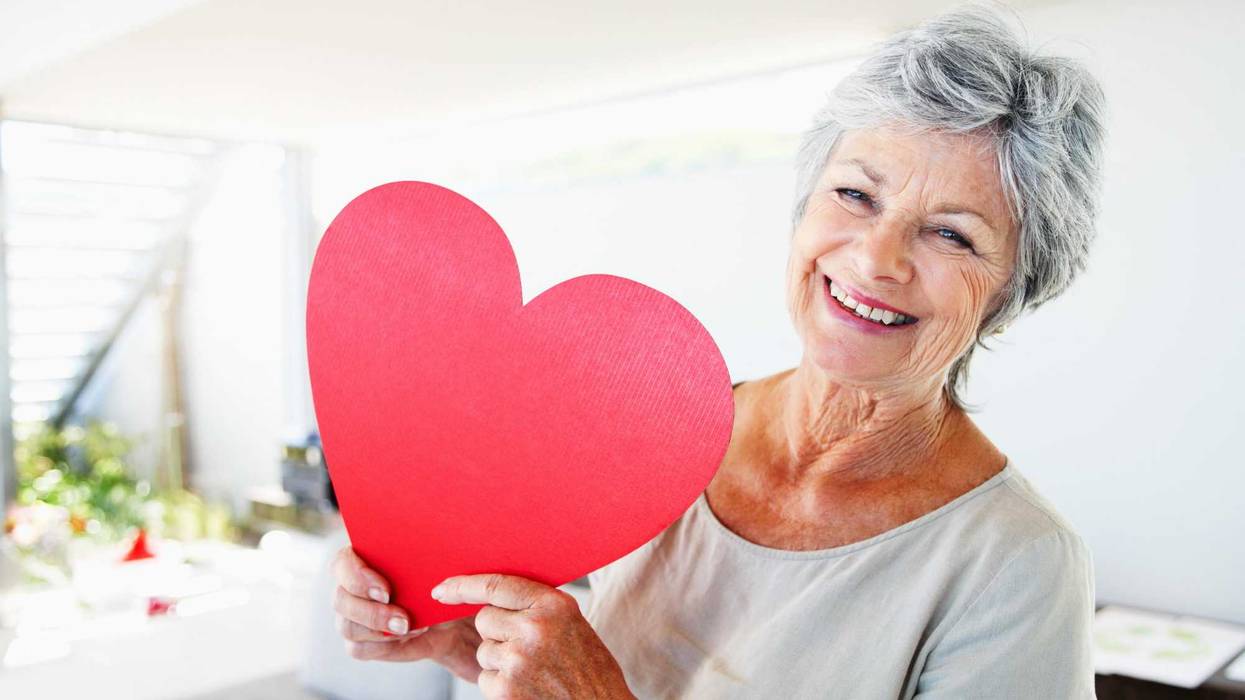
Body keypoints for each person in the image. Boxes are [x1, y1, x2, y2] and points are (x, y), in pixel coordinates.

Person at [329, 5, 1107, 698]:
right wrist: (465, 643)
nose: (875, 259)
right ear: (803, 211)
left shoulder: (1019, 569)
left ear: (1011, 289)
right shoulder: (657, 431)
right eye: (855, 195)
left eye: (950, 234)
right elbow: (589, 658)